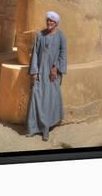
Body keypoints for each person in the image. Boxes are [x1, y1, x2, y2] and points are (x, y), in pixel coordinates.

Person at [26, 11, 67, 141]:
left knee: (48, 100)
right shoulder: (40, 35)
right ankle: (33, 128)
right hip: (40, 72)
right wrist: (34, 71)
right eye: (48, 20)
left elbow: (63, 54)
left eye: (52, 21)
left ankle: (46, 129)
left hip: (52, 74)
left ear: (56, 23)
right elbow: (35, 54)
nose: (49, 23)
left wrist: (56, 68)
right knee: (35, 97)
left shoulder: (61, 36)